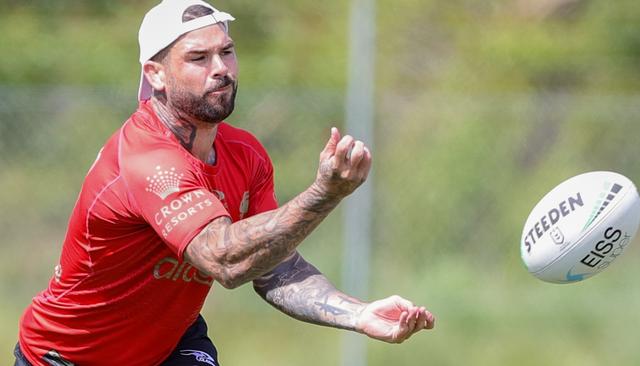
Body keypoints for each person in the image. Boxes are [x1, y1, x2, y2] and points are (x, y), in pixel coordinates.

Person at [15, 1, 434, 365]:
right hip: (69, 357)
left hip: (168, 349)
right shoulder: (147, 158)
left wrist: (358, 314)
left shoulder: (245, 153)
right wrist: (324, 194)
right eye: (199, 58)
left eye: (227, 52)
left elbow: (274, 265)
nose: (221, 70)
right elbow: (225, 260)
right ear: (156, 74)